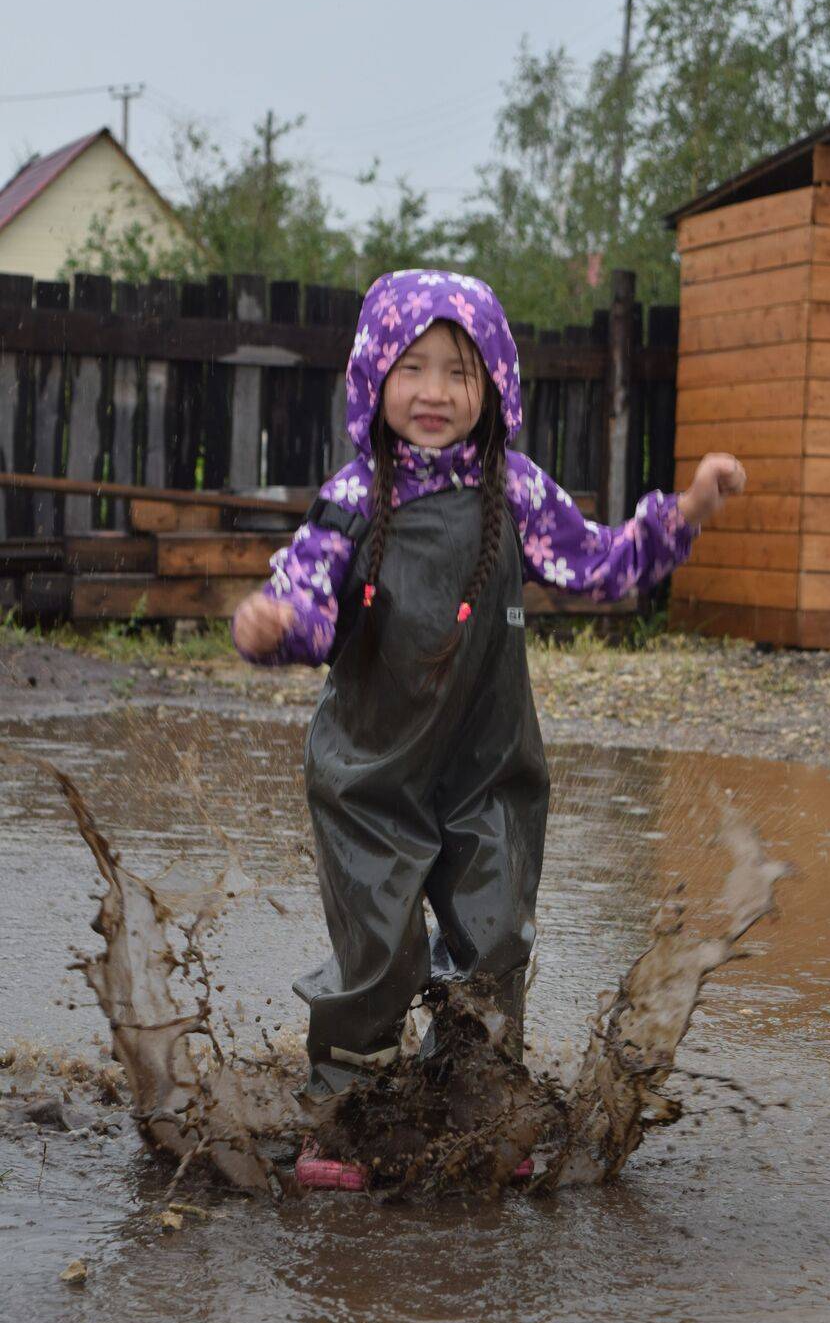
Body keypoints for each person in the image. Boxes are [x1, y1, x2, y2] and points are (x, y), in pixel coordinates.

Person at [232, 268, 746, 1133]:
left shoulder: (518, 491)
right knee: (381, 952)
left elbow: (599, 565)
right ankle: (345, 1107)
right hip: (371, 776)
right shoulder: (353, 498)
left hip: (490, 770)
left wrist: (687, 509)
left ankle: (472, 1100)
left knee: (496, 937)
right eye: (412, 368)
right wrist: (272, 625)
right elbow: (309, 608)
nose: (434, 391)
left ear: (495, 383)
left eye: (459, 371)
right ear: (374, 377)